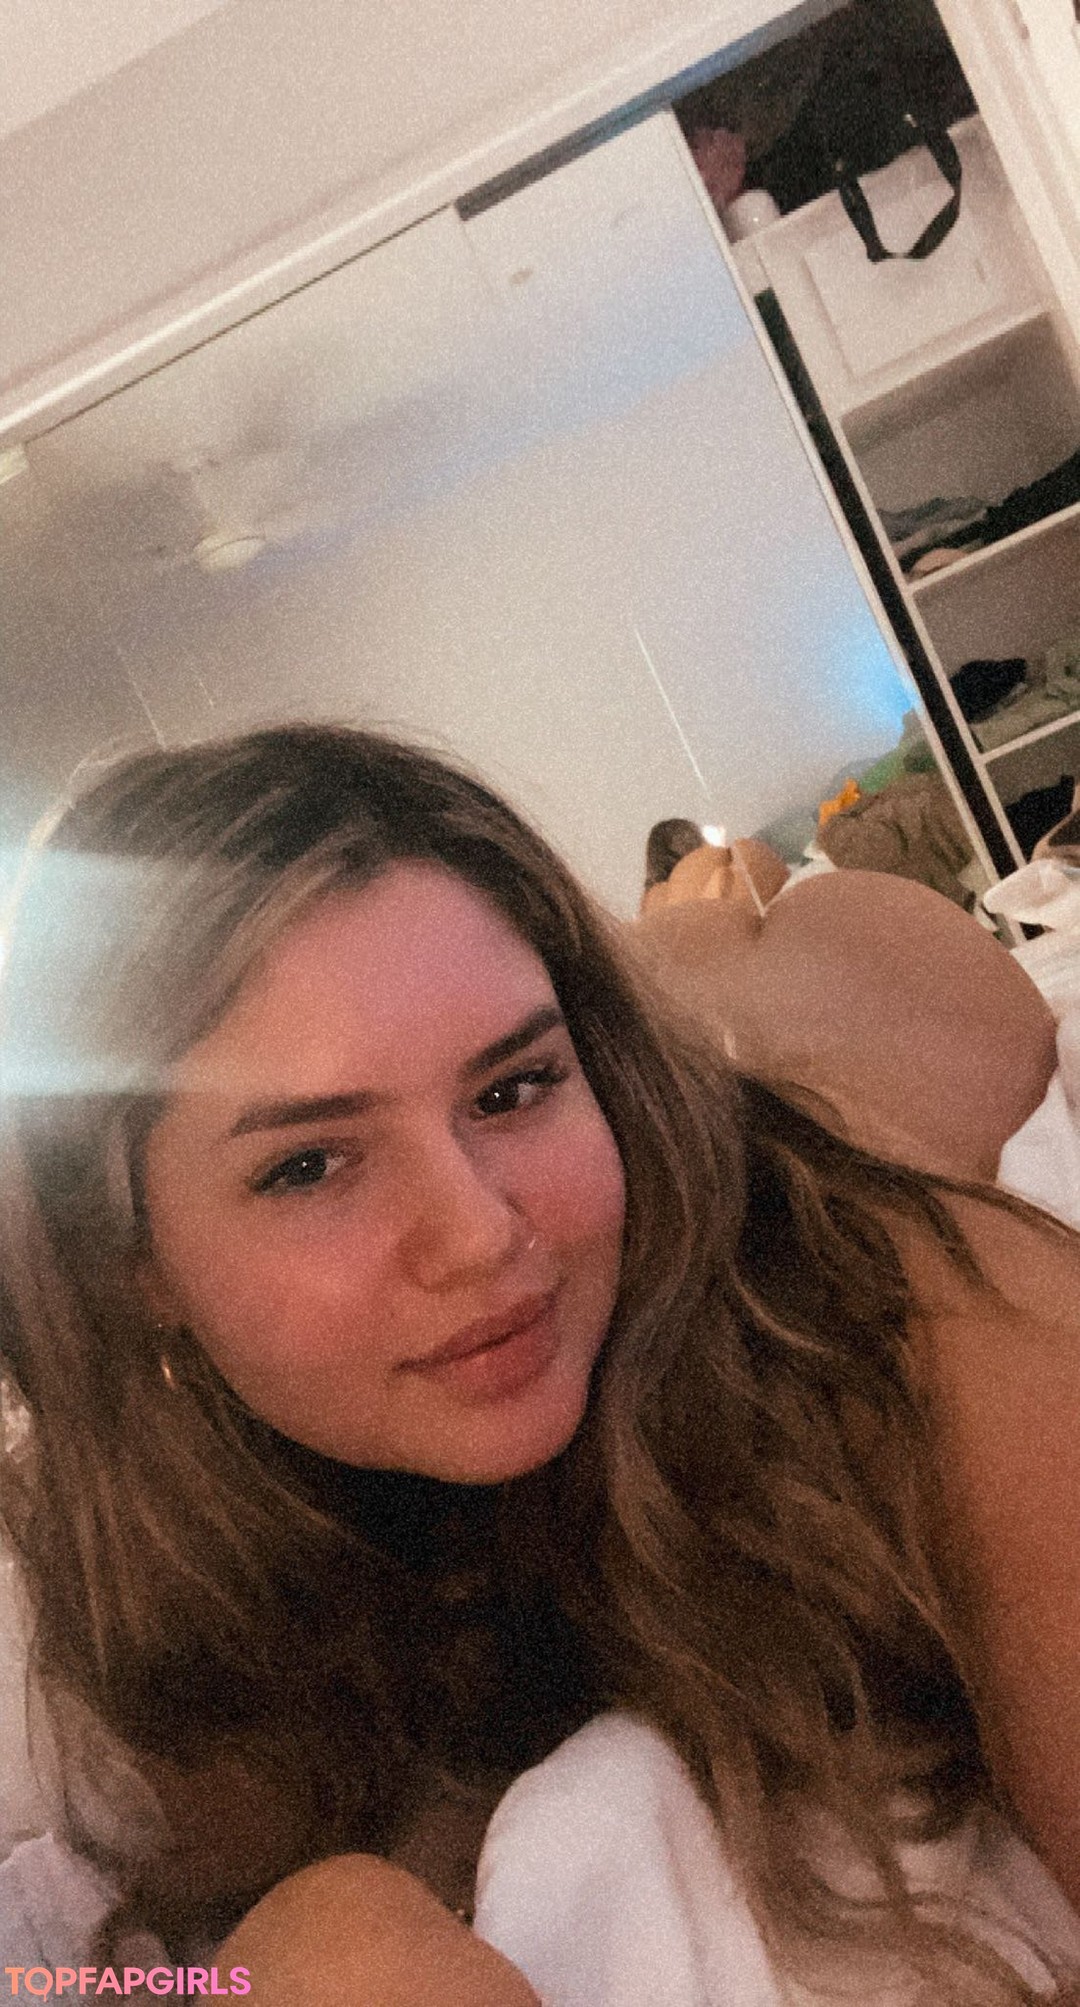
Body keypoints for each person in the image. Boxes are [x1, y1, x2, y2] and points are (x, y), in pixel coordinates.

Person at [1, 722, 1079, 2006]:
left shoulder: (899, 1313)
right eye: (310, 1164)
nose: (479, 1235)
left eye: (513, 1089)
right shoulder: (149, 1569)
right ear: (133, 1266)